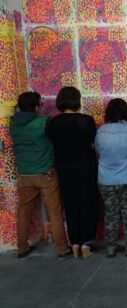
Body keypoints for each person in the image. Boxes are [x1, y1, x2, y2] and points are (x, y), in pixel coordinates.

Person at [9, 92, 71, 259]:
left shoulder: (13, 123)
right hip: (45, 173)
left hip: (24, 174)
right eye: (40, 105)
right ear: (36, 106)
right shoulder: (44, 122)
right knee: (55, 211)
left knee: (23, 211)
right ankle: (62, 248)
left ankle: (22, 247)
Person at [48, 87, 98, 259]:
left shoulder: (53, 122)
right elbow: (93, 145)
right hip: (85, 168)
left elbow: (53, 144)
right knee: (87, 203)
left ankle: (74, 242)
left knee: (70, 205)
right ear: (77, 100)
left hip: (64, 169)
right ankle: (86, 243)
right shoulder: (86, 120)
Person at [95, 99, 127, 258]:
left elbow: (98, 154)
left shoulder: (101, 131)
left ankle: (111, 247)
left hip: (106, 179)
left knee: (110, 213)